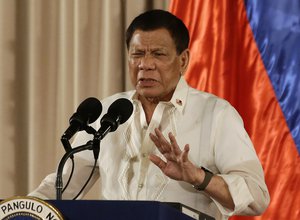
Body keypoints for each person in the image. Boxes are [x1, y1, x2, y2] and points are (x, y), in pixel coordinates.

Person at [29, 9, 270, 219]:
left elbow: (256, 197)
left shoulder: (216, 114)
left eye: (158, 54)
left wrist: (198, 177)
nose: (145, 64)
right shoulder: (109, 111)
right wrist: (17, 210)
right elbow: (64, 186)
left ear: (183, 60)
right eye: (137, 54)